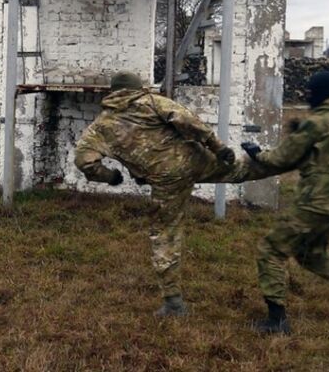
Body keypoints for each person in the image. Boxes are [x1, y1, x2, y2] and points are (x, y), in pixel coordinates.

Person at [74, 71, 271, 317]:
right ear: (138, 87)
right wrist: (217, 147)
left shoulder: (100, 127)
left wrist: (111, 177)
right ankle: (291, 158)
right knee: (241, 170)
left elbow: (85, 161)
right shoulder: (153, 102)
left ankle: (173, 303)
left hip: (166, 180)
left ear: (112, 92)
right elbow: (187, 119)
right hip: (193, 159)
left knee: (165, 235)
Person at [241, 71, 329, 335]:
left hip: (315, 201)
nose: (308, 98)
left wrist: (257, 153)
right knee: (310, 255)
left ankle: (277, 320)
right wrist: (301, 135)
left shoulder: (318, 123)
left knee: (271, 249)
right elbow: (323, 156)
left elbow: (283, 159)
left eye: (310, 93)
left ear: (319, 94)